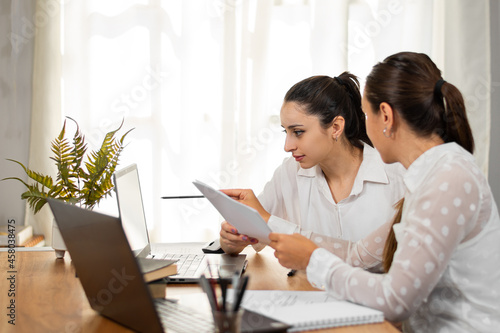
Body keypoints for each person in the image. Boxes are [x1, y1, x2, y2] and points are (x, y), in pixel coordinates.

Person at [268, 52, 500, 332]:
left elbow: (396, 298)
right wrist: (306, 252)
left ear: (386, 116)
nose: (363, 125)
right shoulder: (430, 175)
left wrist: (313, 260)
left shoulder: (448, 179)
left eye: (366, 114)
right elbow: (357, 255)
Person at [220, 72, 405, 260]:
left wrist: (267, 221)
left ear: (335, 127)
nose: (287, 146)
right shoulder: (290, 171)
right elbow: (252, 232)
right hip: (308, 289)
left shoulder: (396, 176)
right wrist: (232, 239)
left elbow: (369, 259)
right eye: (286, 131)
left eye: (298, 132)